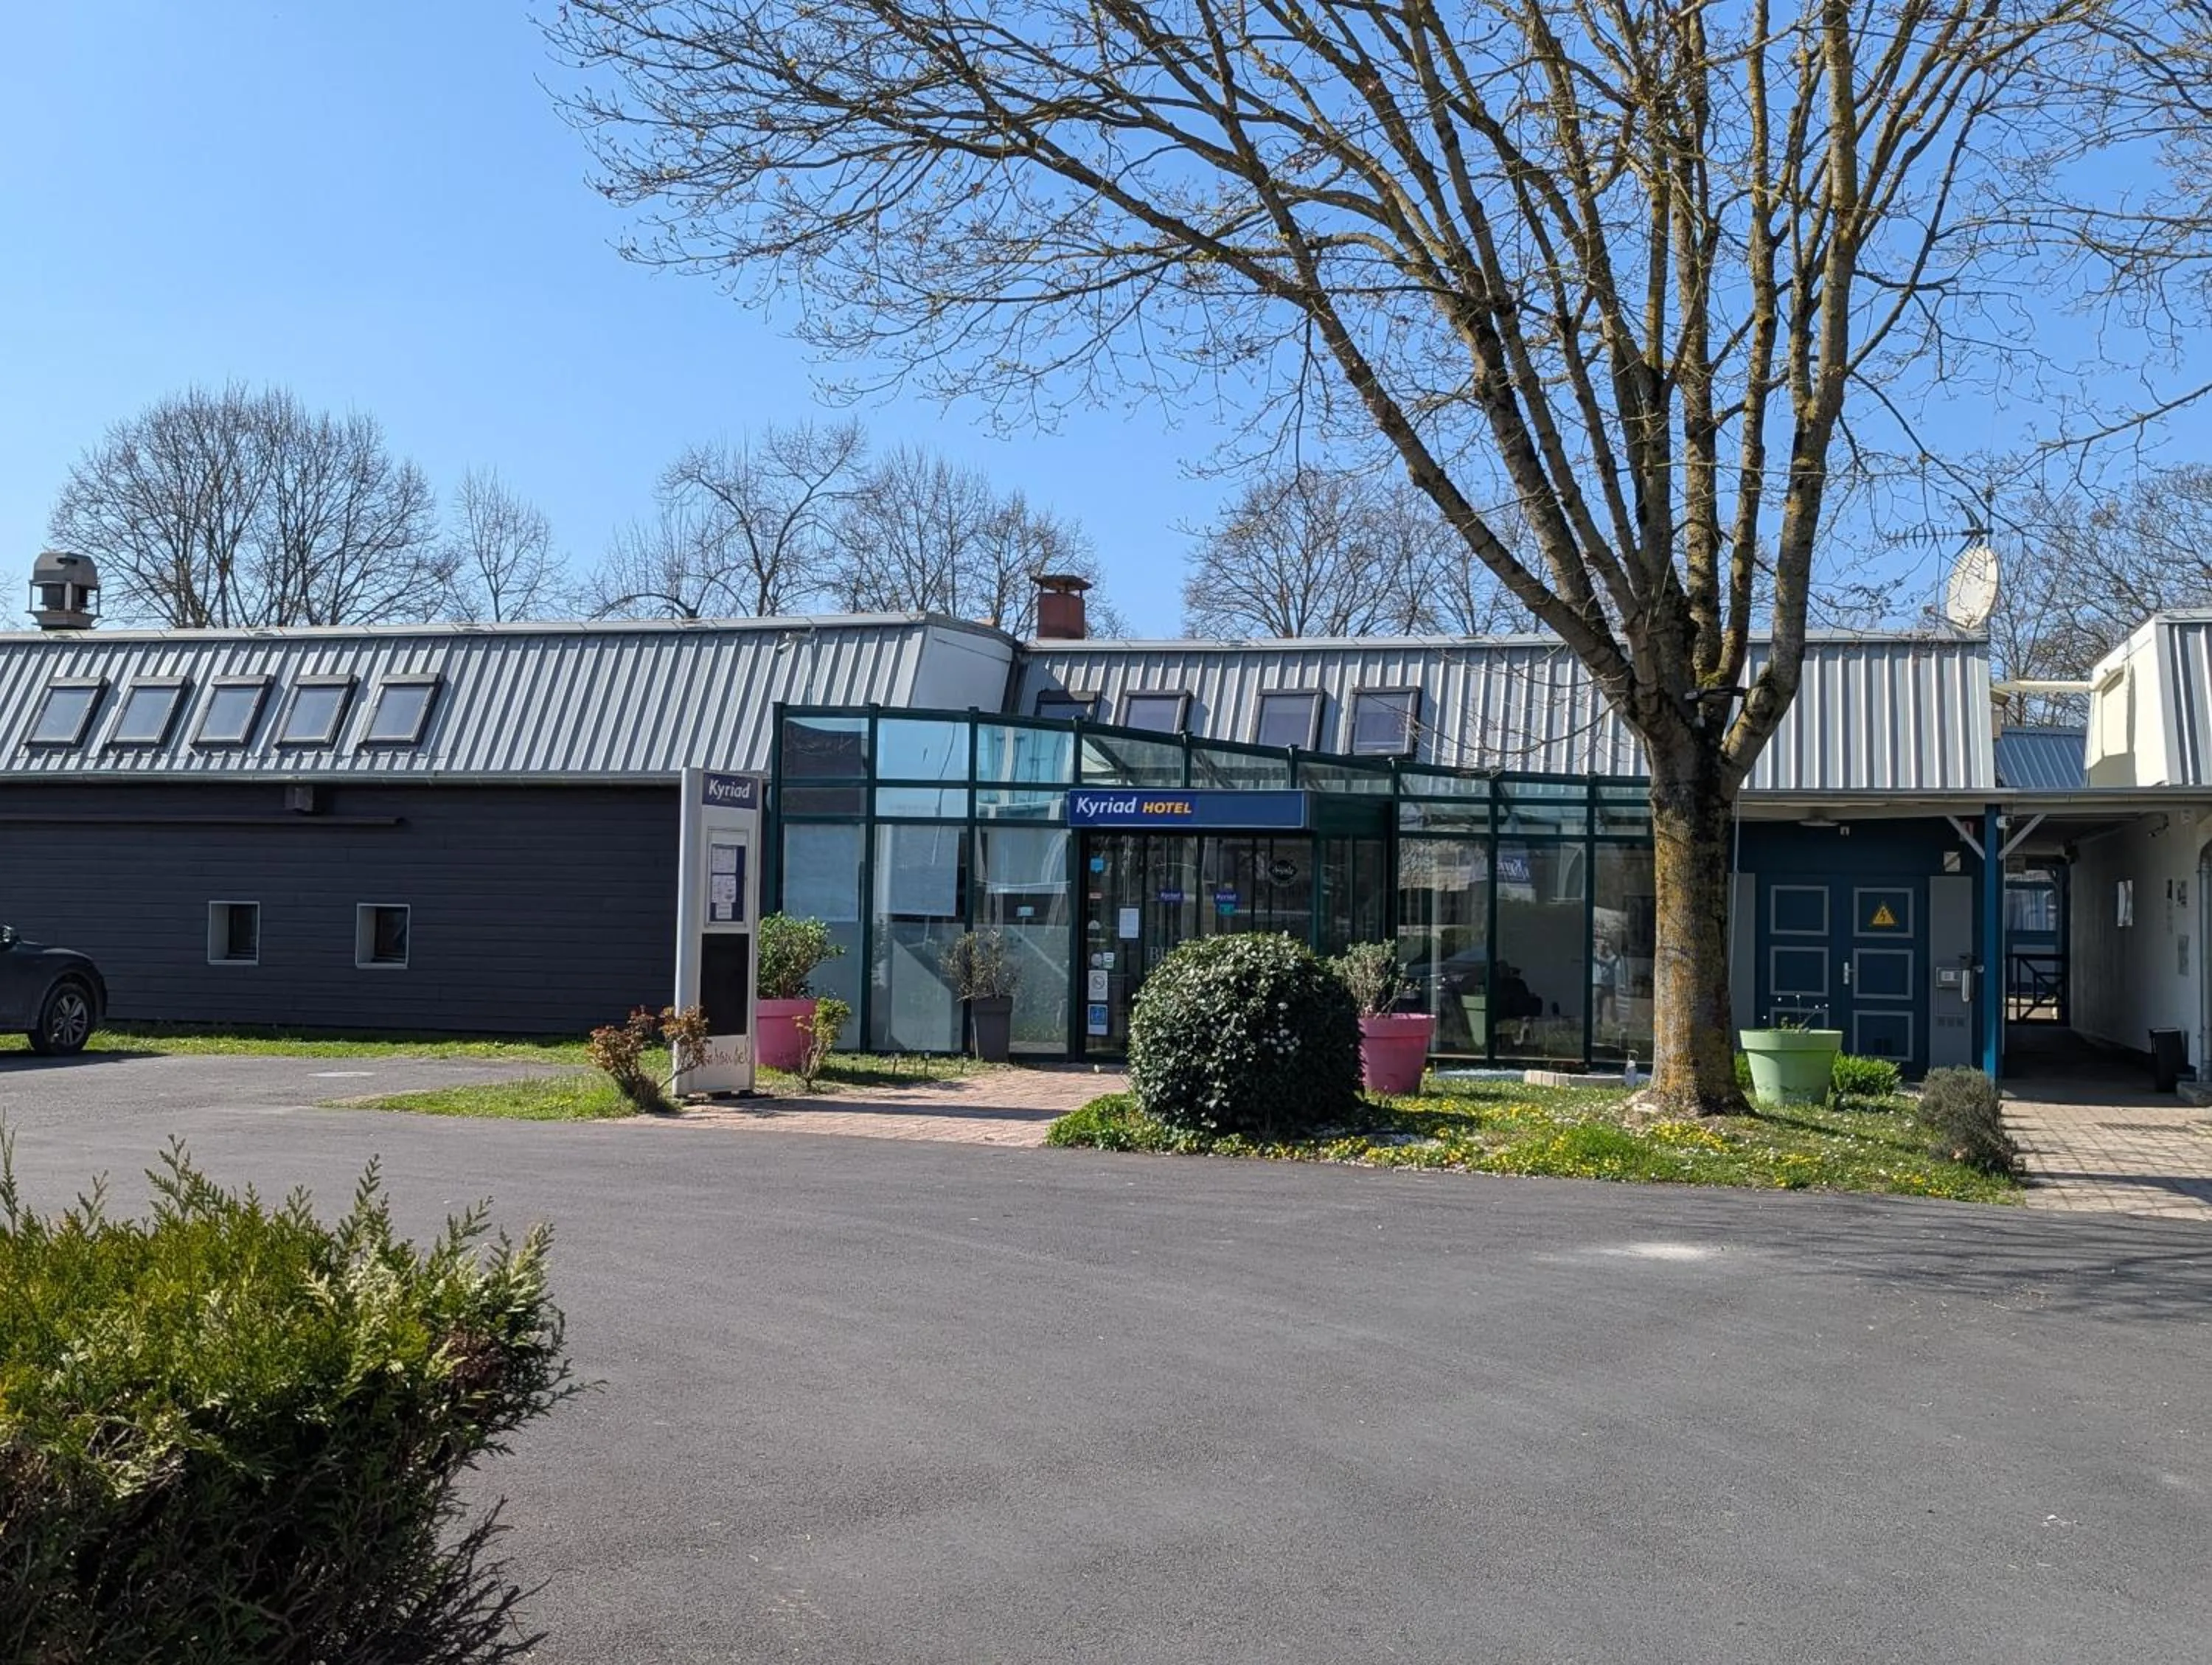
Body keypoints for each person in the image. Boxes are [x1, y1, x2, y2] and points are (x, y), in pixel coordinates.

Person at [1592, 939, 1618, 1030]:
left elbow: (1617, 955)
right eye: (1600, 947)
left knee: (1611, 1006)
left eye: (1604, 947)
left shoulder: (1612, 958)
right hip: (1597, 985)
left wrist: (1610, 946)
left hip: (1609, 986)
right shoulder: (1595, 957)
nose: (1602, 948)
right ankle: (1597, 1027)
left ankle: (1614, 1024)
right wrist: (1595, 944)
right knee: (1596, 1008)